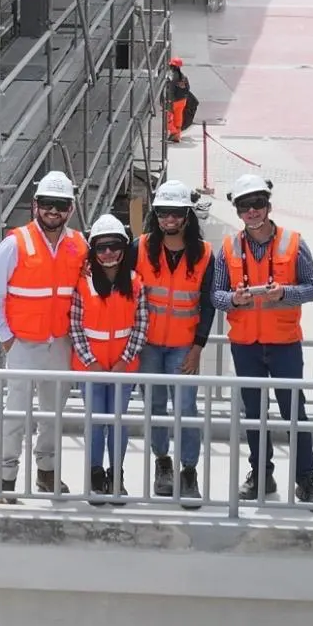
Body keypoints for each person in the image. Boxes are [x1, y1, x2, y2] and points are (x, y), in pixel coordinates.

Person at [210, 172, 313, 505]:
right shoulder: (229, 247)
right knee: (254, 413)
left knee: (294, 413)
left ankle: (306, 478)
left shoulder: (293, 242)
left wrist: (284, 293)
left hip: (284, 342)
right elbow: (216, 294)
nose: (252, 211)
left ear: (268, 206)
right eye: (246, 206)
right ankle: (261, 475)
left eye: (258, 204)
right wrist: (234, 300)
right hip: (246, 345)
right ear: (238, 211)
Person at [0, 171, 83, 501]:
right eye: (47, 205)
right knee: (15, 416)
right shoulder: (16, 243)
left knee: (53, 415)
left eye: (61, 205)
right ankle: (6, 480)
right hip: (23, 344)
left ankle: (47, 474)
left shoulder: (78, 244)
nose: (53, 212)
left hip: (60, 343)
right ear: (35, 205)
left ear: (70, 208)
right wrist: (6, 337)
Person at [138, 180, 214, 502]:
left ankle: (189, 471)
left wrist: (198, 348)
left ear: (186, 216)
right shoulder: (140, 248)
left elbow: (208, 305)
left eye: (175, 214)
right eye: (163, 214)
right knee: (154, 406)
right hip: (149, 345)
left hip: (184, 346)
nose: (169, 220)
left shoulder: (205, 254)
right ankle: (162, 463)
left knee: (186, 407)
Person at [71, 214, 148, 503]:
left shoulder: (135, 282)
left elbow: (141, 324)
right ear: (93, 250)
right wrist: (90, 361)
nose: (108, 253)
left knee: (117, 421)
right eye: (101, 248)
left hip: (122, 367)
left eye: (114, 246)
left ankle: (116, 475)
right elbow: (76, 326)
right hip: (90, 367)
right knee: (95, 422)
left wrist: (124, 360)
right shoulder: (84, 283)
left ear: (124, 247)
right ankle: (94, 476)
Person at [164, 58, 199, 142]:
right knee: (178, 118)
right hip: (182, 101)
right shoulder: (183, 77)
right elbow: (188, 88)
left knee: (167, 118)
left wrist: (169, 101)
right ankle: (177, 137)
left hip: (174, 101)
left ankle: (173, 132)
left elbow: (171, 90)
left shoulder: (171, 76)